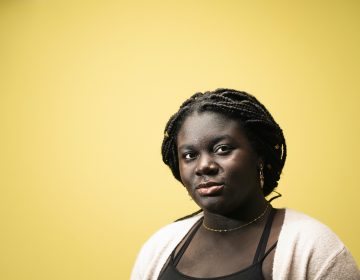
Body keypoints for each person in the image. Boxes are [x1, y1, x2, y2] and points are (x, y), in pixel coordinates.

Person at [131, 89, 360, 280]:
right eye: (189, 155)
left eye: (222, 149)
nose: (204, 166)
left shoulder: (313, 246)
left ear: (259, 156)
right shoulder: (160, 246)